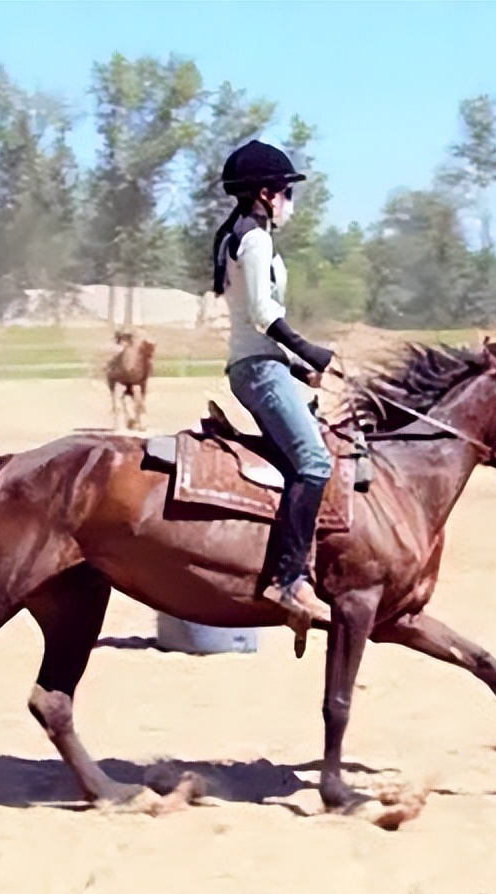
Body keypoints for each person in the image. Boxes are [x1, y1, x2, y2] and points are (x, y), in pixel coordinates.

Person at [212, 139, 334, 633]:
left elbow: (248, 321)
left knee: (302, 454)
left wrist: (297, 368)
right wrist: (308, 350)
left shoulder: (237, 234)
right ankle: (288, 580)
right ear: (265, 193)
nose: (290, 201)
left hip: (263, 365)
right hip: (260, 370)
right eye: (286, 191)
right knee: (315, 460)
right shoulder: (256, 239)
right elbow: (263, 314)